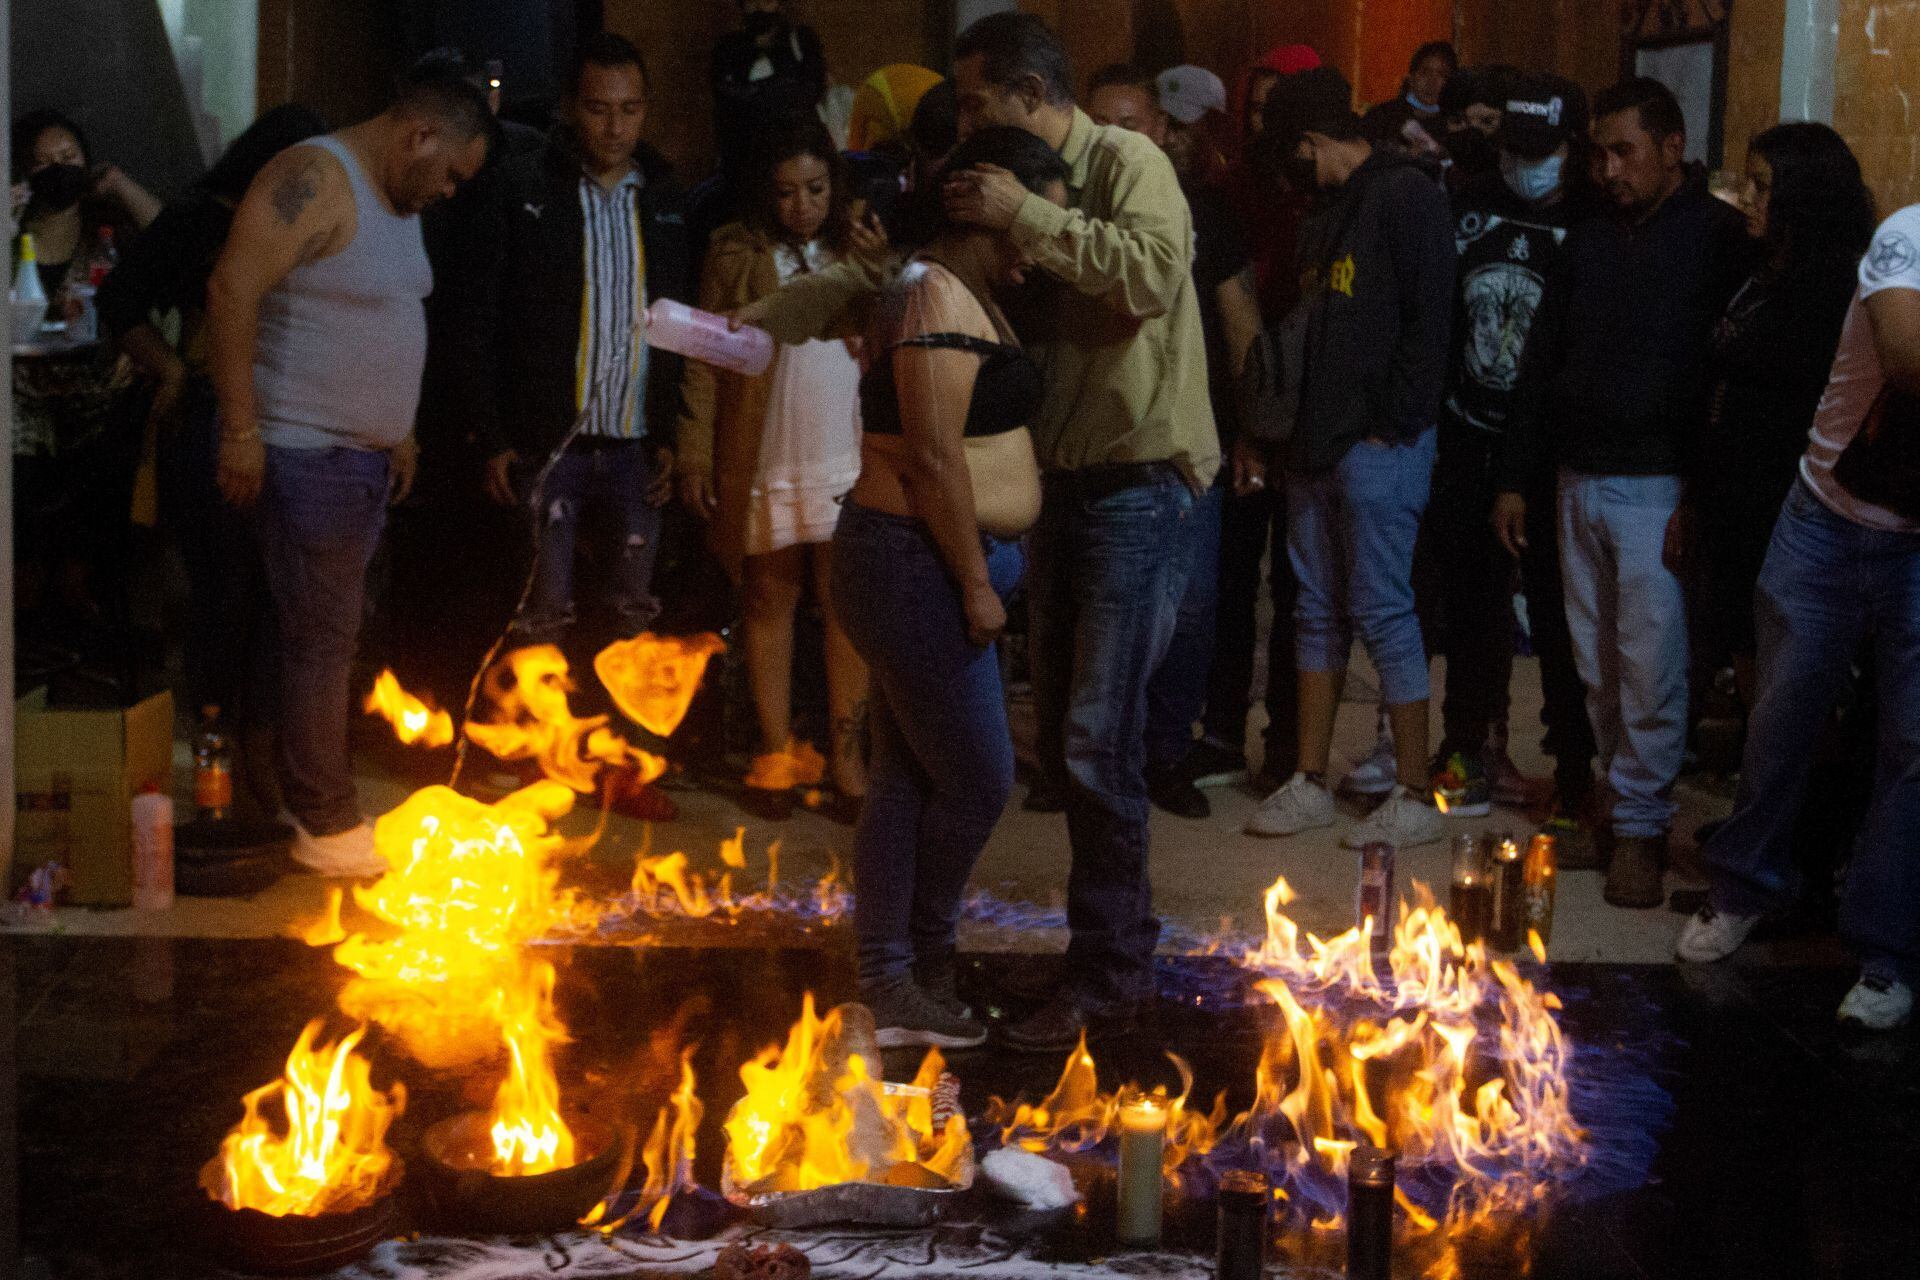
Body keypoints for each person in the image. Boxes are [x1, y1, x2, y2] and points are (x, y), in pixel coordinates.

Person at [207, 63, 493, 875]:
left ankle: (304, 797)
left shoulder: (396, 196)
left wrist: (396, 432)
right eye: (451, 174)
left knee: (321, 635)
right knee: (323, 640)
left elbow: (379, 309)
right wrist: (239, 430)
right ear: (420, 134)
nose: (449, 191)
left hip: (355, 457)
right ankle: (324, 817)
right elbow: (231, 289)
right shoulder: (313, 178)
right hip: (309, 452)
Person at [836, 126, 1065, 1048]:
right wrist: (976, 583)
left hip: (922, 561)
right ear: (982, 206)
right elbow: (932, 459)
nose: (1038, 241)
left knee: (908, 779)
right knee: (977, 778)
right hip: (916, 563)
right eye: (1028, 217)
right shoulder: (930, 289)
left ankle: (904, 974)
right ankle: (904, 967)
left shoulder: (952, 288)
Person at [1493, 78, 1747, 908]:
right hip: (1578, 473)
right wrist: (1516, 476)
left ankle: (1642, 826)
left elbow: (1728, 380)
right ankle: (1615, 801)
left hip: (1656, 483)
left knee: (1651, 665)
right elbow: (1540, 360)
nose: (1608, 169)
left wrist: (1701, 495)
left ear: (1672, 148)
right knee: (1595, 663)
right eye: (1598, 153)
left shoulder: (1716, 238)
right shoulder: (1589, 238)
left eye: (1623, 151)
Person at [1675, 198, 1920, 1032]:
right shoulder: (1909, 235)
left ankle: (1885, 954)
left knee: (1911, 748)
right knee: (1781, 715)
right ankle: (1743, 889)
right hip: (1827, 518)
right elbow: (1908, 355)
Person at [463, 35, 689, 818]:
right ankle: (543, 762)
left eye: (630, 109)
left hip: (633, 439)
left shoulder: (663, 200)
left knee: (632, 611)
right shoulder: (529, 189)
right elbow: (483, 317)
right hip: (549, 439)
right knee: (542, 608)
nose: (615, 126)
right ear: (570, 108)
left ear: (646, 111)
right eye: (598, 108)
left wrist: (672, 433)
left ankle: (631, 764)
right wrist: (492, 433)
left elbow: (683, 329)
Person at [1244, 65, 1454, 851]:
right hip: (1315, 444)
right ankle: (1308, 782)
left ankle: (1413, 790)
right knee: (1318, 612)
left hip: (1377, 446)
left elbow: (1431, 324)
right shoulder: (1323, 211)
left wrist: (1391, 426)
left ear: (1310, 140)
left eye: (1290, 151)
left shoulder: (1406, 197)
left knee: (1385, 611)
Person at [98, 104, 328, 821]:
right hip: (209, 419)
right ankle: (218, 745)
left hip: (294, 420)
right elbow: (119, 301)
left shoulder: (318, 230)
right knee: (224, 588)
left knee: (279, 592)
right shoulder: (204, 217)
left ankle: (260, 748)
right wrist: (166, 368)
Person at [677, 115, 870, 821]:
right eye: (786, 192)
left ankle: (848, 760)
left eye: (816, 188)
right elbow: (706, 353)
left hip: (844, 441)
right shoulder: (734, 250)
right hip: (763, 440)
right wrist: (695, 447)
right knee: (768, 597)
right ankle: (776, 751)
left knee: (845, 605)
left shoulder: (862, 242)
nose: (803, 206)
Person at [1087, 64, 1263, 820]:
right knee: (1096, 615)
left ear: (1162, 130)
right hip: (1099, 446)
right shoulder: (1071, 214)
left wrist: (1254, 428)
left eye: (1130, 124)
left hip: (1192, 443)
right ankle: (1094, 763)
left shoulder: (1205, 217)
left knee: (1189, 612)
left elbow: (1241, 326)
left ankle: (1166, 754)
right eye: (1102, 127)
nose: (1115, 141)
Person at [1427, 73, 1597, 833]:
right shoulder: (1467, 206)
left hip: (1556, 450)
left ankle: (1574, 767)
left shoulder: (1595, 224)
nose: (1525, 164)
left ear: (1574, 148)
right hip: (1468, 434)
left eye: (1543, 151)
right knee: (1473, 603)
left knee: (1562, 618)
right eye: (1514, 150)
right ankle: (1468, 746)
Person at [1698, 124, 1872, 707]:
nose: (1746, 197)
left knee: (1792, 676)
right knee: (1748, 650)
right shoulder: (1758, 267)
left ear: (1803, 196)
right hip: (1736, 496)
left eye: (1761, 185)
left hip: (1785, 499)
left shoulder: (1833, 288)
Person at [1362, 40, 1455, 151]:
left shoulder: (1454, 126)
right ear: (1411, 78)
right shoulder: (1382, 116)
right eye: (1425, 72)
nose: (1432, 81)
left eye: (1442, 75)